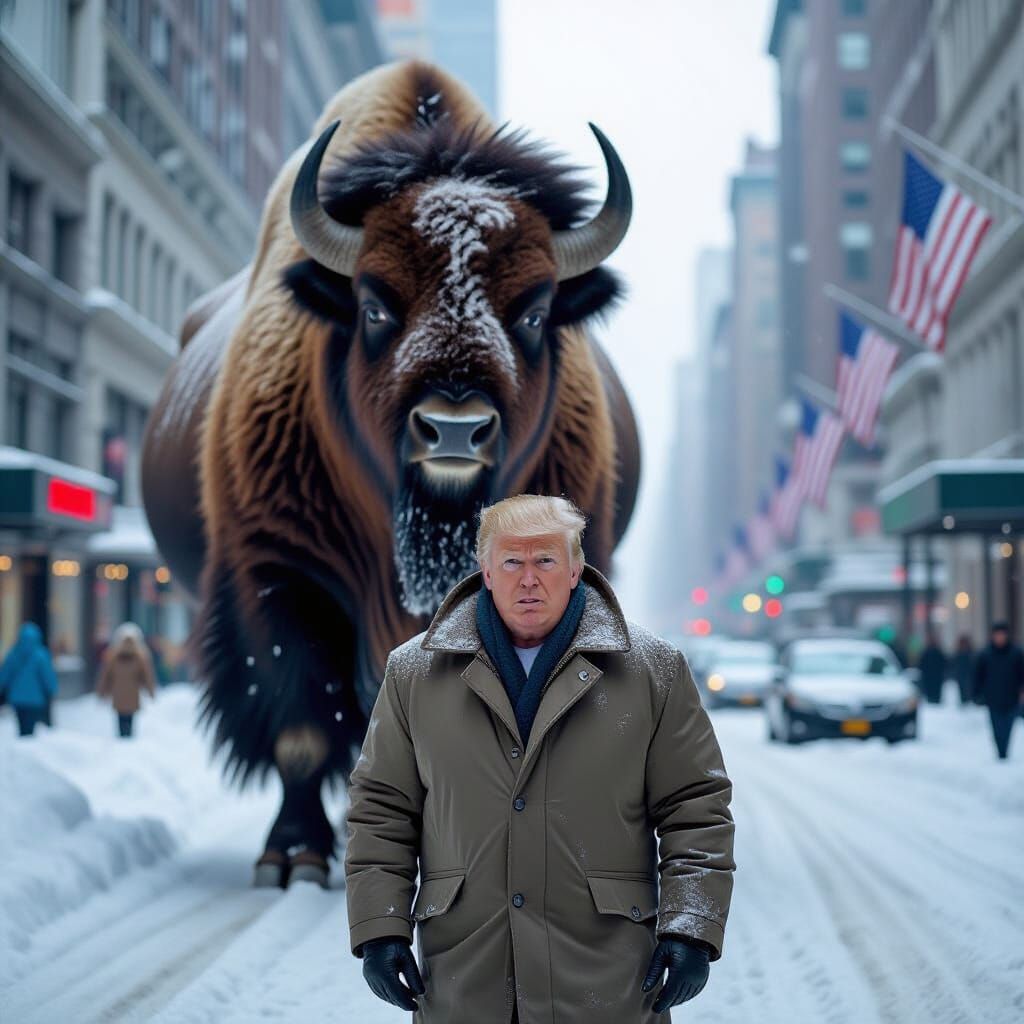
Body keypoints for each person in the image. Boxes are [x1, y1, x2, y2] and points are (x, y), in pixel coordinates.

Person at [345, 494, 735, 1022]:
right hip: (467, 973)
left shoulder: (651, 670)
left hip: (606, 979)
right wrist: (380, 928)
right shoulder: (415, 673)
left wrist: (690, 925)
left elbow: (696, 807)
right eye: (512, 561)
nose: (529, 579)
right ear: (486, 571)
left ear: (576, 569)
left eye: (546, 560)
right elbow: (382, 808)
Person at [972, 621, 1024, 760]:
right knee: (996, 727)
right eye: (997, 635)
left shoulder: (1016, 653)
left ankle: (1004, 751)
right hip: (993, 697)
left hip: (1011, 697)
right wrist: (977, 694)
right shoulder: (986, 654)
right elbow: (979, 676)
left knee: (1008, 726)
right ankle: (1000, 752)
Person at [96, 622, 157, 737]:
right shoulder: (140, 657)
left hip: (118, 696)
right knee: (130, 719)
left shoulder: (113, 656)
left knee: (120, 719)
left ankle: (122, 739)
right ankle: (128, 739)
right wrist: (150, 691)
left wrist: (102, 692)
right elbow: (147, 677)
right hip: (132, 696)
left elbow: (106, 676)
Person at [0, 622, 59, 736]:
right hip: (35, 699)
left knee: (22, 726)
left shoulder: (13, 654)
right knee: (30, 728)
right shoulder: (41, 655)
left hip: (17, 699)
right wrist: (52, 689)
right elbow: (47, 676)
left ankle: (23, 744)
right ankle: (27, 746)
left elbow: (4, 675)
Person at [917, 631, 948, 704]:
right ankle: (932, 699)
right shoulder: (928, 652)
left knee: (935, 689)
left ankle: (934, 699)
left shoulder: (936, 652)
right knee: (931, 689)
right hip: (931, 675)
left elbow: (944, 663)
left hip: (936, 675)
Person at [951, 633, 975, 706]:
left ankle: (967, 700)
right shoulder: (958, 652)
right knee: (962, 688)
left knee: (968, 687)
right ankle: (964, 700)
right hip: (960, 674)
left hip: (968, 674)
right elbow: (954, 663)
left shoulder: (970, 652)